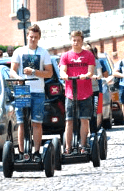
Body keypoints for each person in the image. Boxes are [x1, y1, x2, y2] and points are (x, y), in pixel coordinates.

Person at [10, 24, 53, 161]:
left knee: (36, 122)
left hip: (38, 91)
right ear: (27, 37)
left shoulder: (43, 52)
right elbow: (12, 70)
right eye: (30, 37)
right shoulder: (19, 51)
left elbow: (49, 73)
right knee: (21, 122)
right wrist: (18, 78)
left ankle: (36, 152)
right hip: (22, 89)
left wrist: (34, 72)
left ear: (39, 38)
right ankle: (22, 153)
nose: (32, 39)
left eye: (35, 37)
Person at [59, 31, 95, 154]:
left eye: (78, 40)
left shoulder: (88, 55)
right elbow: (62, 70)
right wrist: (64, 75)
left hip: (85, 93)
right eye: (74, 40)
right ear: (71, 41)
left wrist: (86, 75)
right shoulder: (66, 56)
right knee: (69, 120)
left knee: (84, 120)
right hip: (70, 93)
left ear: (82, 41)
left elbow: (90, 71)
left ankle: (83, 145)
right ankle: (68, 147)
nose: (76, 43)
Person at [83, 43, 103, 133]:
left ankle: (94, 132)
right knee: (84, 113)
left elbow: (100, 75)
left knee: (94, 112)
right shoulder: (81, 62)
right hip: (83, 90)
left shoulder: (96, 61)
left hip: (94, 90)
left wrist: (94, 76)